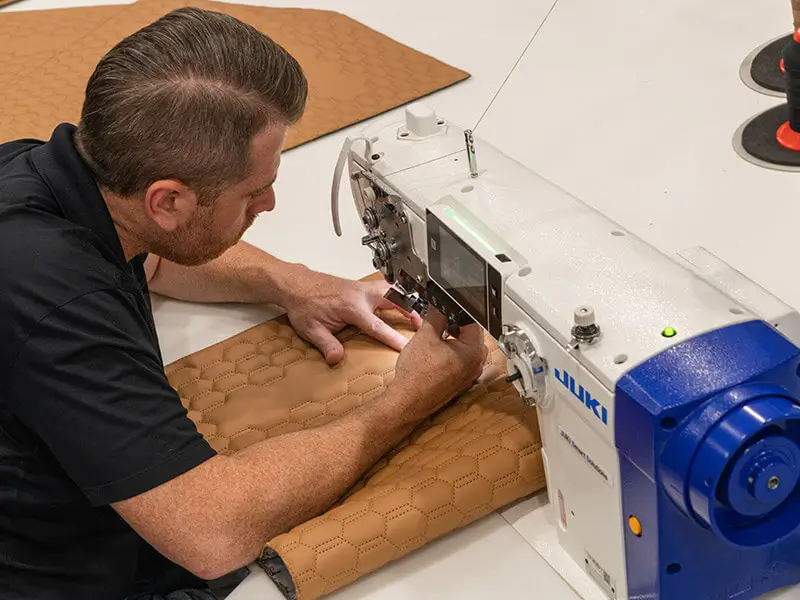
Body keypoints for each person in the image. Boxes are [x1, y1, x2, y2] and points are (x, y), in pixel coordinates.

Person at [0, 6, 488, 600]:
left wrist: (293, 282)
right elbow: (212, 532)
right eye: (254, 191)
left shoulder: (44, 171)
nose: (272, 205)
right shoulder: (59, 298)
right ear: (168, 201)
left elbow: (151, 257)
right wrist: (406, 402)